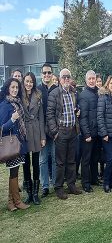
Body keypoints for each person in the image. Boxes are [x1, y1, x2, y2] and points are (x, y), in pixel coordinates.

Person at [47, 69, 82, 199]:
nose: (66, 79)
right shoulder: (54, 93)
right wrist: (55, 132)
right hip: (60, 132)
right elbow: (49, 115)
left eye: (68, 77)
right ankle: (59, 187)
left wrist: (78, 111)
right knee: (60, 162)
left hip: (73, 131)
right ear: (60, 79)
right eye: (64, 77)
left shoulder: (73, 92)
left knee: (72, 161)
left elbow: (76, 108)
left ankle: (71, 185)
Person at [0, 78, 30, 211]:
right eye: (12, 87)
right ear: (8, 88)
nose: (15, 90)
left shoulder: (17, 103)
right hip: (11, 143)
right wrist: (13, 119)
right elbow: (2, 128)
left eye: (17, 88)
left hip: (20, 141)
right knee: (13, 173)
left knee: (15, 172)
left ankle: (11, 202)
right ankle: (17, 201)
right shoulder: (5, 105)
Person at [21, 72, 46, 205]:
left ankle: (36, 193)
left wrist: (43, 136)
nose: (29, 84)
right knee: (25, 164)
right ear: (23, 82)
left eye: (31, 81)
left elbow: (41, 117)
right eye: (27, 81)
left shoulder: (38, 95)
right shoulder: (20, 95)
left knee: (36, 163)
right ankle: (29, 193)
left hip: (36, 130)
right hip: (24, 131)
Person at [97, 75, 112, 193]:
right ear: (107, 84)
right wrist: (104, 133)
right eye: (111, 83)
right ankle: (106, 182)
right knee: (110, 158)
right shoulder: (103, 97)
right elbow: (100, 117)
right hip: (107, 134)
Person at [37, 63, 57, 198]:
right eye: (44, 73)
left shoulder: (57, 89)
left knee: (55, 158)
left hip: (55, 130)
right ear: (41, 74)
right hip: (42, 131)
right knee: (43, 160)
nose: (47, 75)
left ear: (52, 74)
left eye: (49, 72)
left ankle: (55, 183)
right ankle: (45, 186)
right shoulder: (37, 90)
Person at [79, 70, 99, 193]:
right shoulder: (83, 95)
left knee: (95, 158)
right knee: (86, 159)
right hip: (88, 133)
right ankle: (85, 182)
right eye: (90, 79)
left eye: (93, 78)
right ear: (86, 80)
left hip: (97, 131)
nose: (92, 81)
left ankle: (94, 178)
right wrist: (86, 134)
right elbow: (83, 117)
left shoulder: (98, 92)